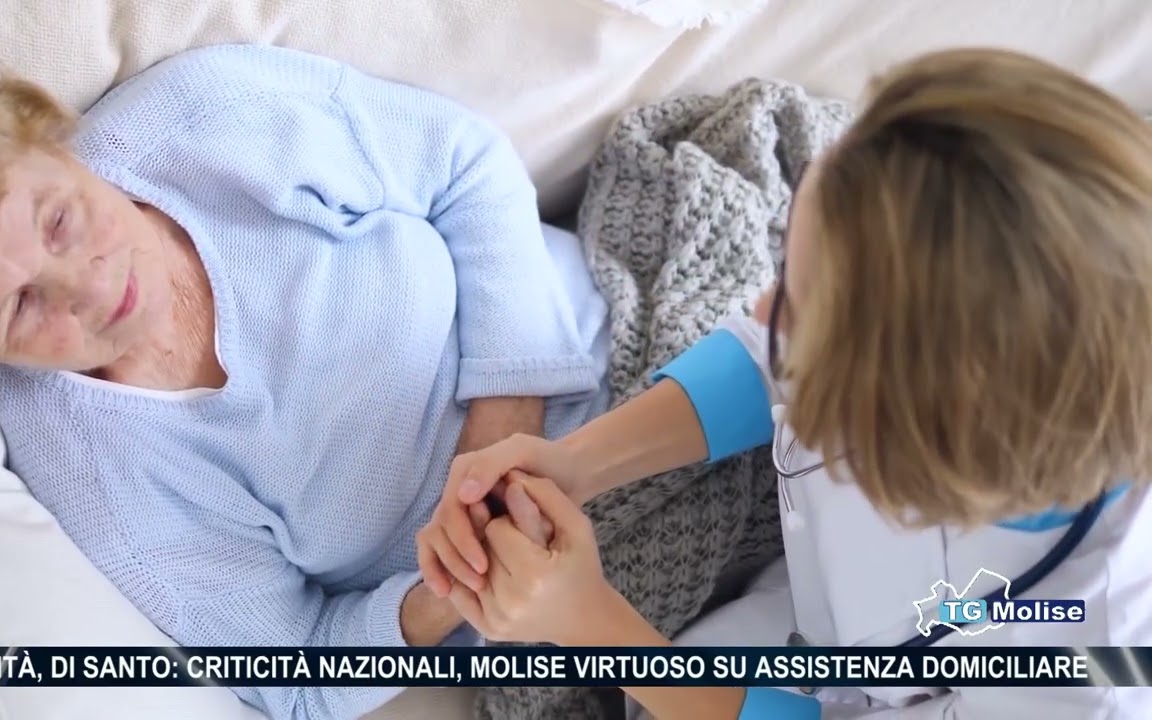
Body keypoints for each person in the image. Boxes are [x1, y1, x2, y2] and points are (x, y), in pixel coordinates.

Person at [417, 47, 1152, 718]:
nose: (763, 309)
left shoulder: (1082, 673)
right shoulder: (964, 318)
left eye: (798, 305)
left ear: (912, 428)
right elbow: (774, 357)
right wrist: (576, 463)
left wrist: (595, 629)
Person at [0, 44, 602, 718]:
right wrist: (458, 580)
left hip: (621, 330)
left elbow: (465, 166)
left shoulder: (209, 118)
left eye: (59, 220)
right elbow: (301, 674)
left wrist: (505, 431)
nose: (87, 289)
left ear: (43, 134)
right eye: (20, 307)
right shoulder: (101, 482)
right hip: (552, 596)